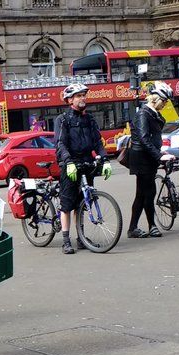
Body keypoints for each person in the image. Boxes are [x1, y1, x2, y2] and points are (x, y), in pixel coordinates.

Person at [53, 83, 110, 255]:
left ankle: (81, 238)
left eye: (84, 95)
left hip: (86, 164)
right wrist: (68, 161)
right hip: (70, 164)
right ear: (70, 100)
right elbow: (60, 143)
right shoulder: (62, 119)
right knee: (67, 205)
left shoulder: (89, 119)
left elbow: (97, 142)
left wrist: (105, 159)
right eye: (78, 96)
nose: (83, 98)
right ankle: (65, 241)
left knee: (82, 204)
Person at [122, 83, 176, 239]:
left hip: (149, 156)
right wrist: (159, 156)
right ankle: (149, 226)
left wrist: (160, 151)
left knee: (143, 193)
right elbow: (145, 139)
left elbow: (153, 138)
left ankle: (136, 227)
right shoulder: (143, 114)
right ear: (156, 98)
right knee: (147, 192)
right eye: (164, 100)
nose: (165, 104)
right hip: (141, 157)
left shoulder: (153, 113)